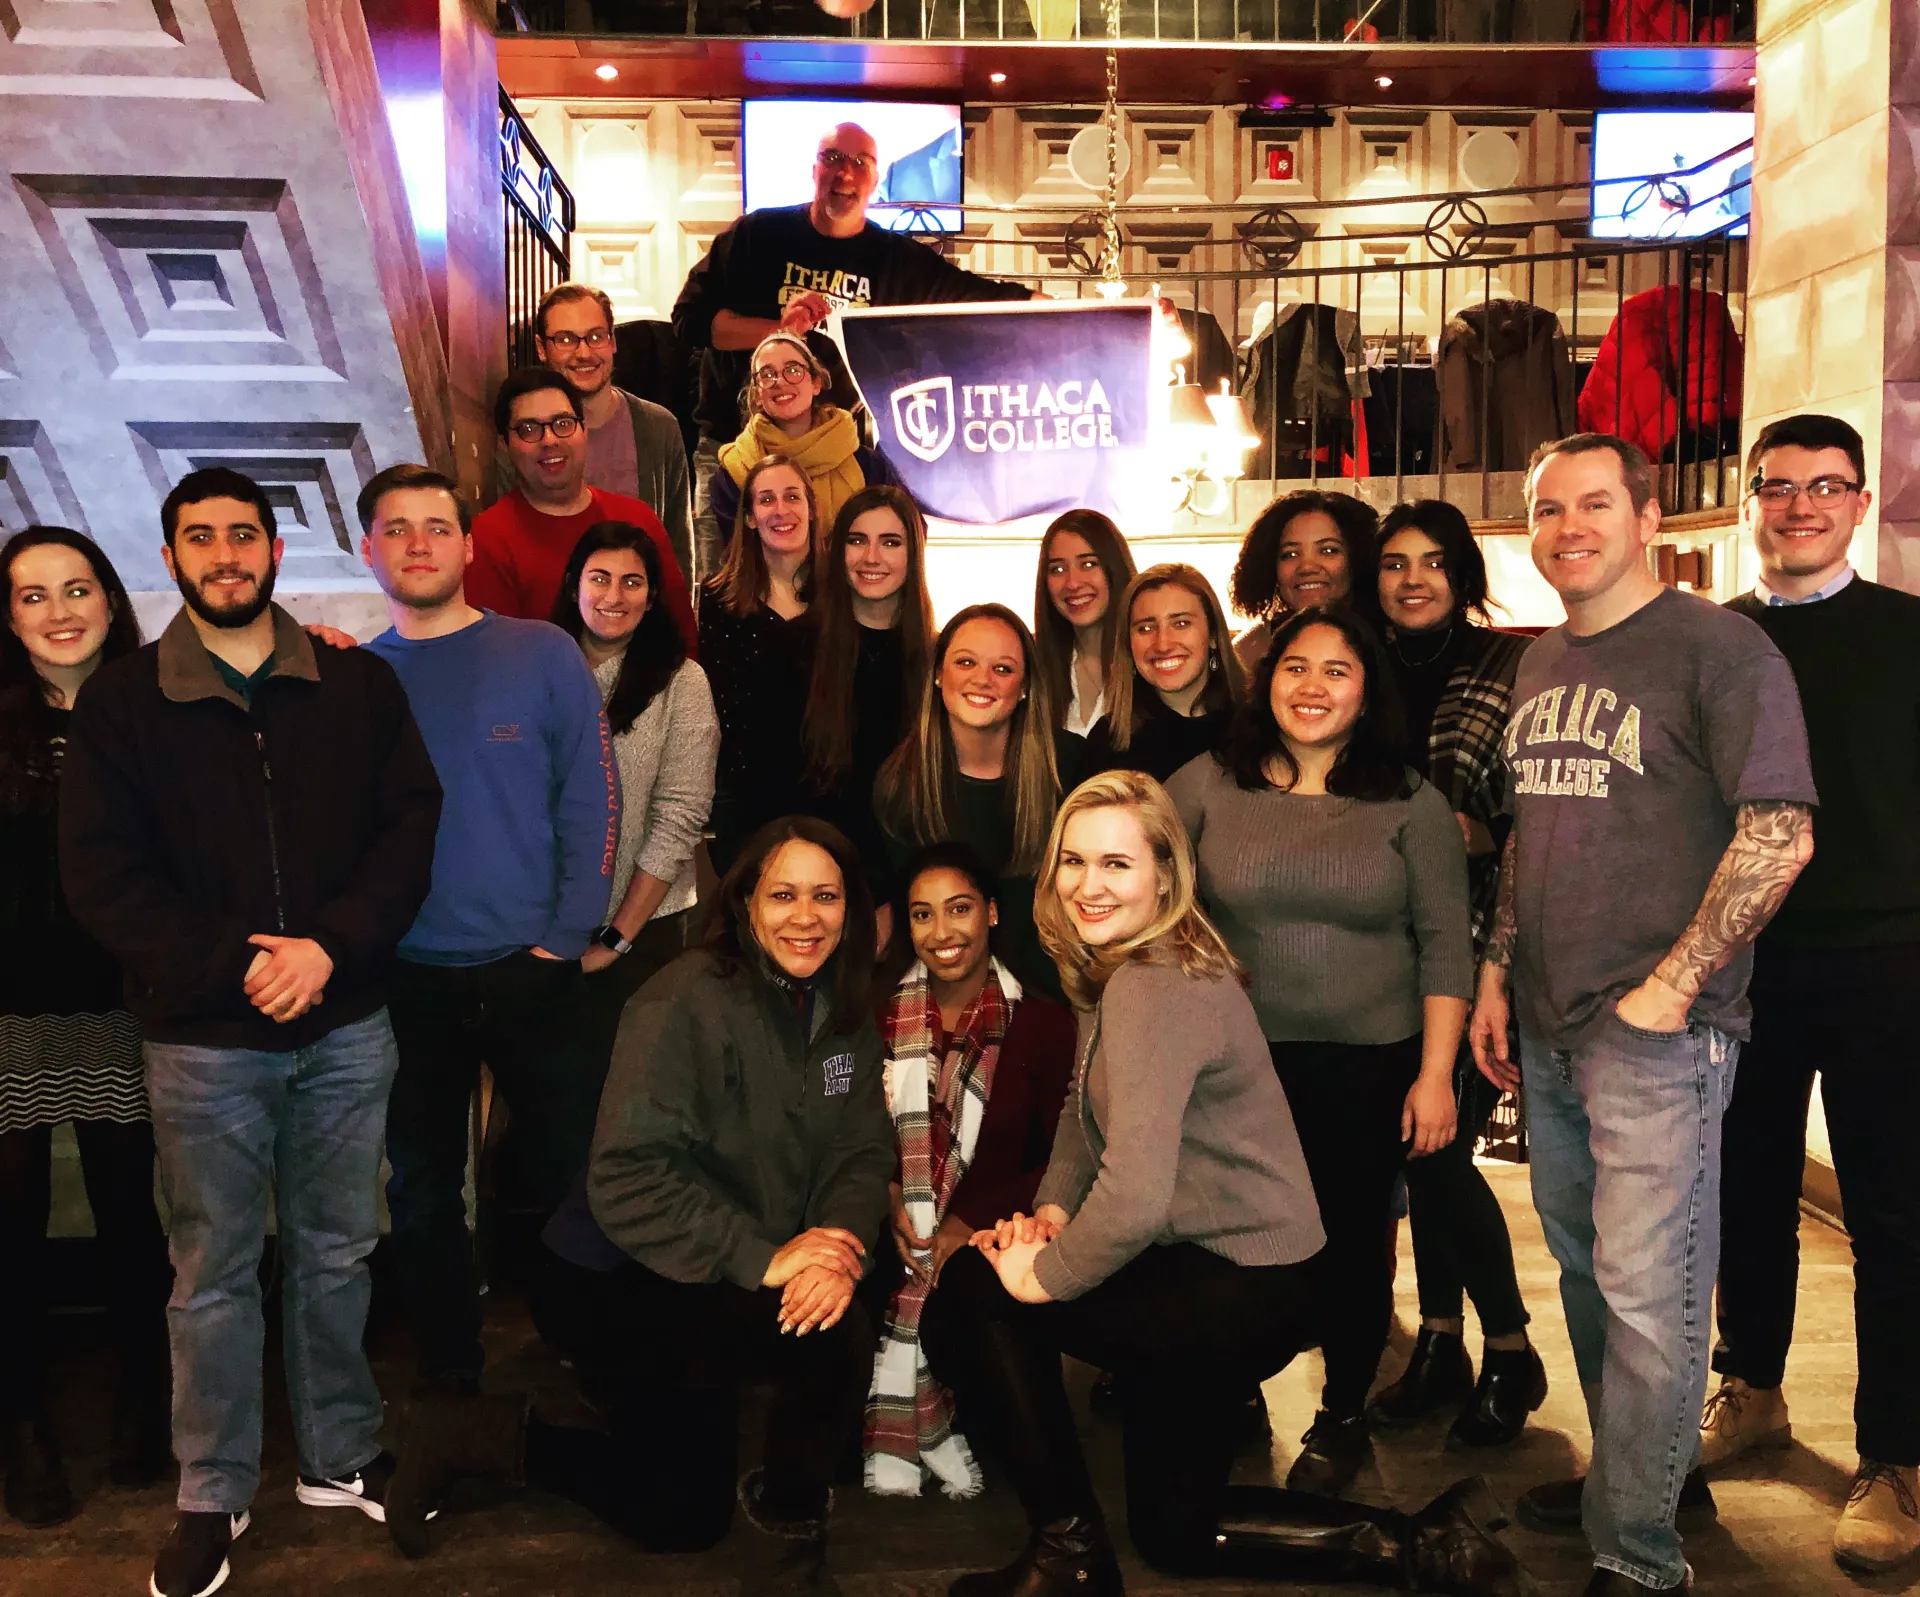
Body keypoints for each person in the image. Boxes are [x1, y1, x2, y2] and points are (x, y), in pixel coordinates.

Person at [924, 769, 1530, 1597]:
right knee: (1175, 1528)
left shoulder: (1150, 985)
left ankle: (1066, 1553)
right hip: (1223, 1265)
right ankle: (1430, 1543)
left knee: (973, 1291)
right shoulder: (1127, 963)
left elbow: (1135, 1195)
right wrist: (1053, 1211)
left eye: (1116, 865)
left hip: (1236, 1281)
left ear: (1166, 876)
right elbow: (1078, 1111)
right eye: (1073, 860)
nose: (1087, 885)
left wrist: (1045, 1274)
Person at [58, 468, 442, 1597]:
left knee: (338, 1249)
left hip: (345, 1017)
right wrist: (240, 966)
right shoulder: (125, 704)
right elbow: (104, 879)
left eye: (244, 534)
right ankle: (211, 1494)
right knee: (211, 1273)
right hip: (202, 1039)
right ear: (171, 556)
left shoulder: (356, 684)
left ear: (275, 548)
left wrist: (329, 948)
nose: (226, 554)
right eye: (200, 538)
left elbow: (408, 829)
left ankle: (336, 1455)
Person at [1469, 433, 1817, 1596]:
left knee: (1650, 1290)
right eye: (1549, 506)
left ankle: (1641, 1550)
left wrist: (1673, 988)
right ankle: (1636, 1474)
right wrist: (1497, 974)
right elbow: (1531, 835)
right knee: (1582, 1268)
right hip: (1552, 1021)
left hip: (1660, 1034)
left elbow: (1781, 831)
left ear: (1649, 516)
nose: (1569, 525)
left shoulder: (1720, 650)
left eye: (1595, 503)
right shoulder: (1539, 661)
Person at [386, 817, 893, 1597]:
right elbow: (626, 1179)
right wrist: (770, 1258)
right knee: (678, 1515)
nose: (805, 915)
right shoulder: (686, 996)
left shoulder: (844, 1006)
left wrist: (837, 1242)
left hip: (725, 1267)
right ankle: (472, 1433)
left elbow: (859, 1151)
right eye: (783, 893)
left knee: (835, 1323)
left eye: (826, 896)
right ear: (746, 902)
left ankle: (791, 1554)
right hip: (614, 1271)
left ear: (852, 908)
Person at [1168, 609, 1472, 1497]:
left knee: (1348, 1249)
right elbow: (1135, 869)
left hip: (1367, 1065)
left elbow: (1444, 944)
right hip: (1236, 1064)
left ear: (1366, 689)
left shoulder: (1410, 801)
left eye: (1336, 671)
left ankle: (1341, 1413)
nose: (1311, 686)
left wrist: (1434, 1077)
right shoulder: (1210, 784)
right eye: (1294, 666)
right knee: (1231, 1241)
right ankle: (1233, 1395)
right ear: (1266, 681)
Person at [1703, 414, 1920, 1573]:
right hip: (1748, 959)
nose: (1799, 506)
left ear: (1858, 501)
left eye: (1824, 488)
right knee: (1745, 1190)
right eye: (1777, 486)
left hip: (1891, 956)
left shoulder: (1906, 633)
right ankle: (1753, 1386)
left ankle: (1895, 1453)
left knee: (1891, 1211)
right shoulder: (1712, 640)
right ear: (1749, 498)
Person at [357, 463, 619, 1394]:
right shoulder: (355, 679)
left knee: (567, 1174)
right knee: (422, 1190)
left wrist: (563, 937)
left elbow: (592, 802)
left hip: (530, 968)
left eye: (436, 526)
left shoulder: (543, 652)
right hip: (408, 978)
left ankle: (583, 1347)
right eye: (397, 528)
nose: (418, 542)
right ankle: (448, 1368)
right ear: (369, 549)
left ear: (469, 545)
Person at [1364, 501, 1547, 1450]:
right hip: (1373, 954)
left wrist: (1498, 969)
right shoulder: (1356, 665)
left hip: (1476, 947)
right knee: (1416, 1149)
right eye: (1395, 563)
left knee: (1436, 1153)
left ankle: (1510, 1343)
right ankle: (1440, 1338)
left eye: (1435, 561)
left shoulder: (1511, 668)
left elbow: (1533, 824)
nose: (1414, 579)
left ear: (1464, 572)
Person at [0, 528, 171, 1527]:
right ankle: (24, 1428)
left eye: (76, 588)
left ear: (109, 597)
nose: (59, 610)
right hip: (9, 1008)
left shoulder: (155, 709)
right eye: (32, 596)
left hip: (125, 1004)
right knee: (11, 1230)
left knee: (130, 1220)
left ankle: (143, 1402)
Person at [672, 120, 1031, 577]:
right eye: (835, 159)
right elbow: (688, 319)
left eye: (860, 163)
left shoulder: (895, 259)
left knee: (826, 601)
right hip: (733, 450)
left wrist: (1105, 309)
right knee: (725, 592)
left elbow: (984, 296)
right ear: (815, 169)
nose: (846, 174)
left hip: (834, 459)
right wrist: (781, 332)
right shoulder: (755, 236)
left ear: (876, 181)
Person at [863, 841, 1075, 1499]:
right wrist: (890, 1191)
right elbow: (850, 1135)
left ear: (991, 913)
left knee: (999, 1421)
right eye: (922, 914)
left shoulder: (1043, 1023)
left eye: (959, 909)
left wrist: (969, 1220)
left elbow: (1066, 1157)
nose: (942, 931)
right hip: (890, 1226)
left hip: (995, 1232)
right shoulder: (875, 1016)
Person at [549, 522, 719, 1056]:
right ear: (575, 583)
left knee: (631, 1096)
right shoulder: (536, 666)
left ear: (650, 598)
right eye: (600, 578)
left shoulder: (681, 682)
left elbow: (679, 819)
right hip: (540, 926)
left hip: (644, 928)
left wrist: (617, 938)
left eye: (632, 582)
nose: (614, 596)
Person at [876, 602, 1082, 1001]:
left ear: (1024, 687)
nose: (983, 680)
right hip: (941, 995)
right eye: (965, 663)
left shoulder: (1071, 768)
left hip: (1055, 996)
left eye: (1002, 669)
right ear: (938, 674)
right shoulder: (899, 782)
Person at [469, 367, 696, 649]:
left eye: (563, 423)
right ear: (504, 444)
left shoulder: (637, 519)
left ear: (584, 430)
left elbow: (682, 636)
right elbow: (496, 660)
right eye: (529, 429)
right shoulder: (489, 537)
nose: (549, 440)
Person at [801, 483, 935, 917]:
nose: (871, 557)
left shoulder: (942, 660)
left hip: (913, 891)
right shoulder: (793, 651)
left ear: (913, 555)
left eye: (890, 542)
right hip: (817, 888)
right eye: (857, 540)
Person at [531, 282, 696, 584]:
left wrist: (680, 627)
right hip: (549, 626)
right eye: (566, 339)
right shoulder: (523, 438)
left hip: (643, 625)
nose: (583, 353)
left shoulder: (660, 428)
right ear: (542, 348)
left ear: (612, 341)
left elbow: (678, 551)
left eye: (595, 337)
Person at [700, 455, 818, 875]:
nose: (782, 510)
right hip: (747, 801)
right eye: (767, 499)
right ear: (749, 517)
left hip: (830, 798)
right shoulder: (717, 601)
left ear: (810, 508)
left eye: (792, 496)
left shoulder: (841, 593)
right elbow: (719, 711)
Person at [707, 333, 899, 542]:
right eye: (767, 374)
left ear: (816, 383)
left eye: (793, 370)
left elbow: (902, 533)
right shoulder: (734, 471)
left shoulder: (868, 466)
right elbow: (734, 559)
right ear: (757, 395)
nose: (780, 381)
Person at [1085, 562, 1244, 782]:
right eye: (1146, 628)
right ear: (1128, 644)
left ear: (1213, 635)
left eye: (1180, 624)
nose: (1163, 644)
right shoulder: (1107, 743)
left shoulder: (1257, 726)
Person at [1228, 489, 1379, 673]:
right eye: (1290, 554)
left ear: (1357, 558)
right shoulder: (1248, 653)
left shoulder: (1391, 645)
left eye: (1328, 551)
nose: (1307, 567)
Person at [1032, 510, 1137, 738]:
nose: (1072, 583)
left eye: (1088, 564)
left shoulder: (1147, 661)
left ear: (1114, 568)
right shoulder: (1034, 669)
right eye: (1057, 569)